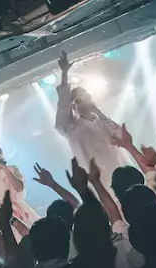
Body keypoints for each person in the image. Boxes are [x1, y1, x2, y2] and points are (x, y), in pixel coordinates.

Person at [55, 51, 129, 190]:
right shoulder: (71, 128)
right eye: (79, 100)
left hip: (122, 176)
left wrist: (98, 112)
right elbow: (63, 106)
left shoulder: (103, 122)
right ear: (73, 106)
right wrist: (64, 73)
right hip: (100, 184)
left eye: (86, 97)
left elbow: (122, 137)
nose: (84, 102)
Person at [0, 140, 40, 241]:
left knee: (38, 236)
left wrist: (5, 169)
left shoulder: (12, 169)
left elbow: (19, 188)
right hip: (7, 218)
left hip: (23, 211)